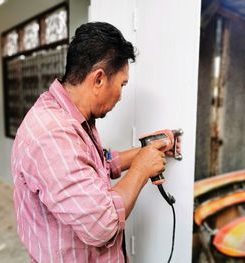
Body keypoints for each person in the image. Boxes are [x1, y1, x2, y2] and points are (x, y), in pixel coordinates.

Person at [11, 22, 181, 263]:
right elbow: (102, 224)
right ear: (99, 79)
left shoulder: (73, 116)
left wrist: (148, 150)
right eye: (121, 85)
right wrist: (142, 169)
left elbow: (96, 163)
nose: (121, 96)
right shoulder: (52, 135)